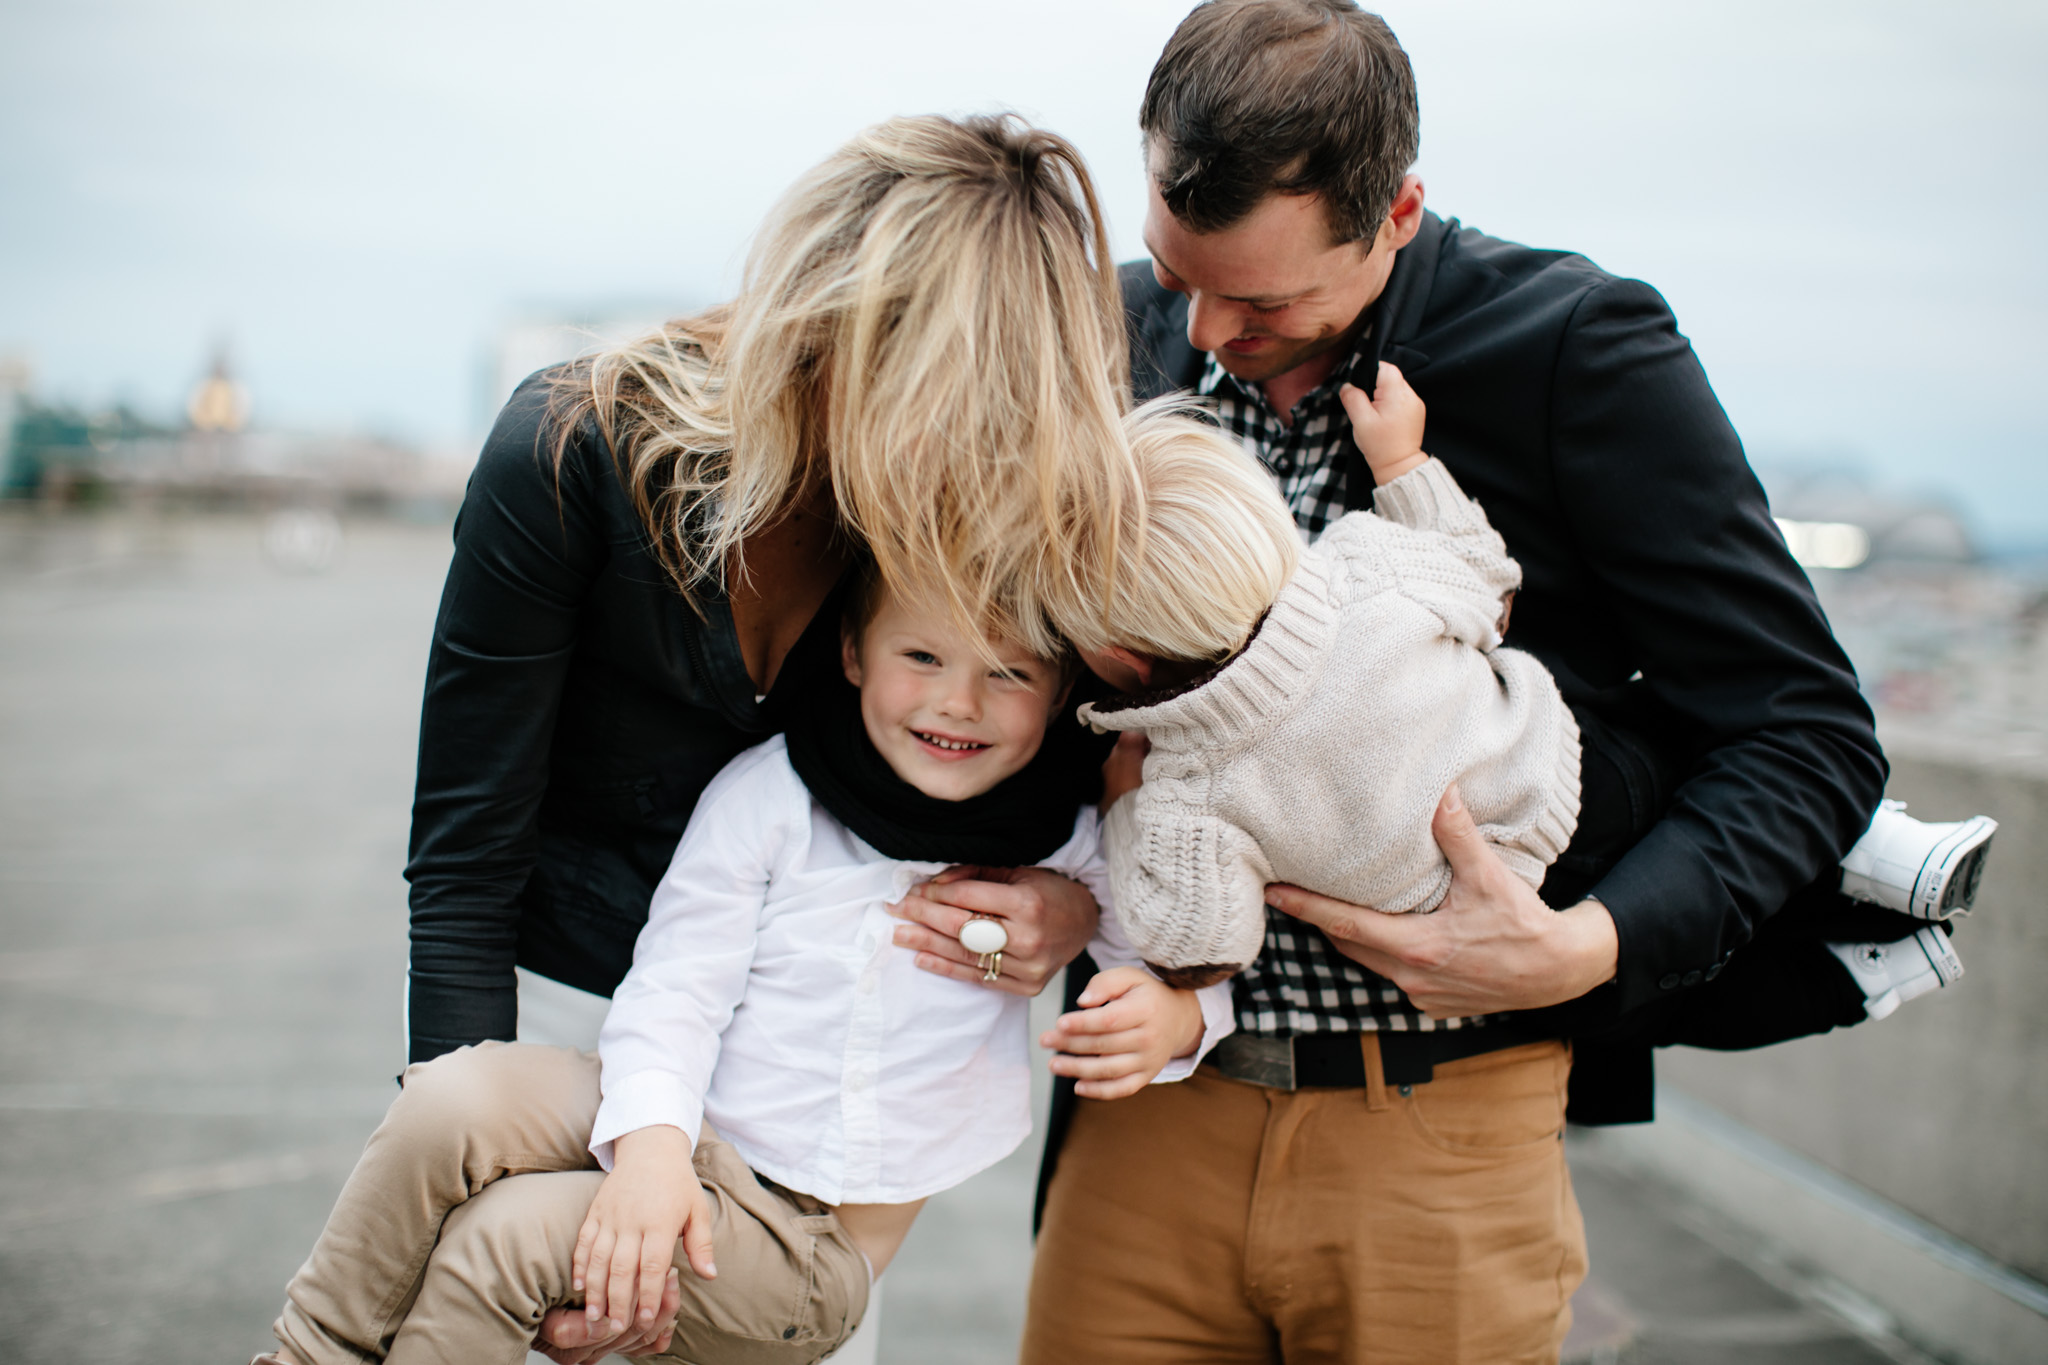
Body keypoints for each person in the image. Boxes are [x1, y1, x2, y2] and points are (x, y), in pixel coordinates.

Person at [1018, 2, 1899, 1359]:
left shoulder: (1572, 349)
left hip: (1440, 1120)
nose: (1201, 327)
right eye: (1173, 271)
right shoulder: (1116, 334)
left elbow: (1806, 732)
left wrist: (1581, 949)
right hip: (1148, 1118)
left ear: (1400, 210)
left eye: (1260, 300)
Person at [397, 112, 1137, 1362]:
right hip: (593, 1046)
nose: (976, 456)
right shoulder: (568, 453)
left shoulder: (955, 502)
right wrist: (489, 1241)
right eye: (951, 405)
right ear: (826, 334)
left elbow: (1068, 771)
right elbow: (464, 869)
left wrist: (1065, 910)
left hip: (813, 1129)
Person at [256, 571, 1232, 1365]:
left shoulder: (1066, 840)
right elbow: (677, 986)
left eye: (1009, 674)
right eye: (921, 655)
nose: (956, 701)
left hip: (808, 1253)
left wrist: (1179, 1019)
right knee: (452, 1098)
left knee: (507, 1235)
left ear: (1060, 691)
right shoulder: (775, 794)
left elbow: (1169, 957)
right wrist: (648, 1155)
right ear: (853, 653)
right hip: (697, 1141)